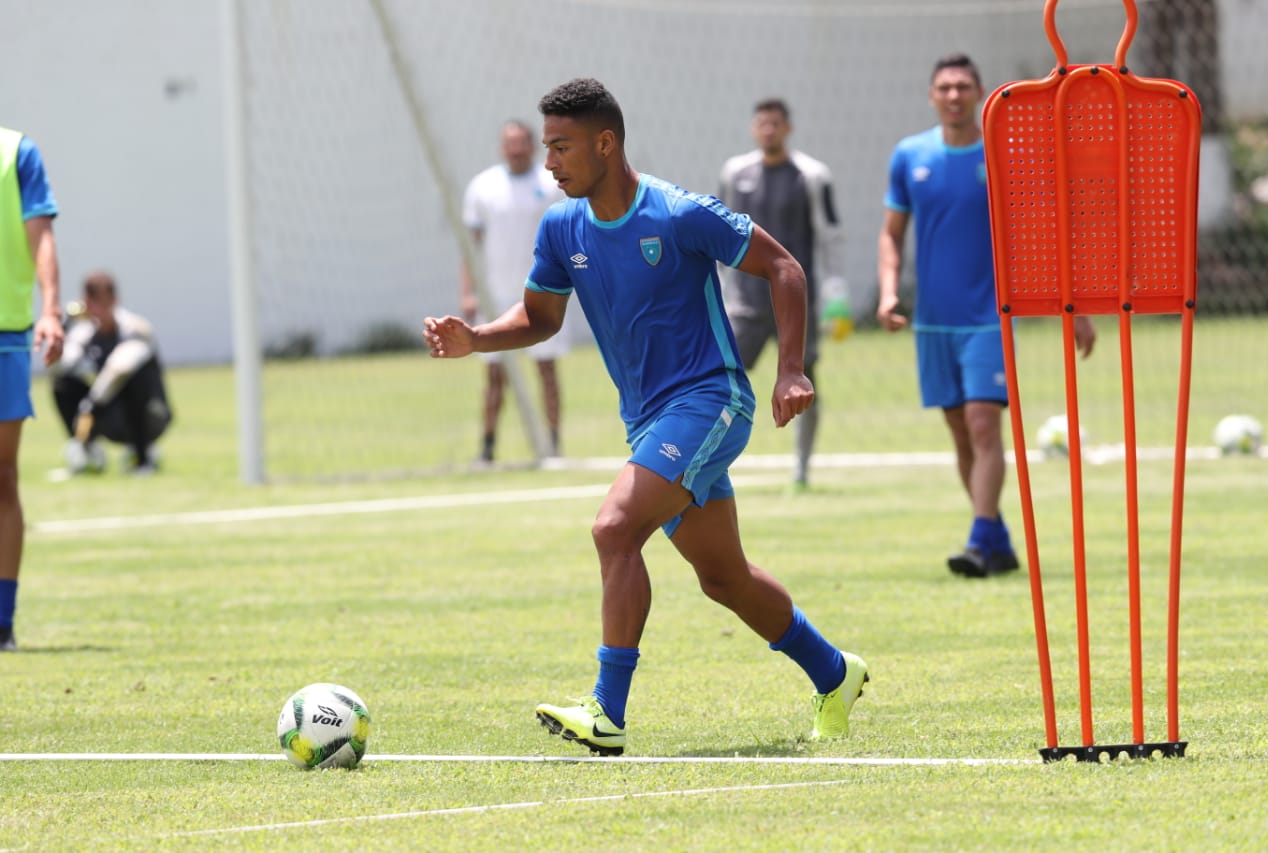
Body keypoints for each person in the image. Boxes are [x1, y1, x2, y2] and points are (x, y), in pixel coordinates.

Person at [424, 78, 868, 755]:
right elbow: (542, 317)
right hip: (651, 421)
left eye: (563, 147)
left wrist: (791, 368)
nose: (550, 164)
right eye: (547, 148)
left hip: (711, 400)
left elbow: (783, 268)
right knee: (724, 578)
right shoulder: (561, 224)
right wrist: (476, 338)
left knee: (613, 528)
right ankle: (835, 673)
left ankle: (607, 710)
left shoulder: (680, 212)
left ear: (606, 143)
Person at [876, 54, 1097, 579]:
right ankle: (995, 536)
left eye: (963, 86)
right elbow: (891, 233)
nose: (954, 95)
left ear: (980, 93)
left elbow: (1047, 228)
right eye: (945, 87)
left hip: (989, 318)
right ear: (932, 95)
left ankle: (977, 540)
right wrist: (888, 293)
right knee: (959, 432)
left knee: (982, 424)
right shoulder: (909, 156)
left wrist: (1078, 306)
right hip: (932, 322)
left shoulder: (1004, 154)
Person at [718, 99, 848, 491]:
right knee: (720, 380)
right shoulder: (734, 172)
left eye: (775, 124)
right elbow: (718, 232)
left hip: (794, 304)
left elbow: (830, 235)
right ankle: (712, 460)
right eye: (762, 123)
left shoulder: (811, 175)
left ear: (787, 128)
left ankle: (802, 469)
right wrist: (721, 289)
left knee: (804, 381)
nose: (768, 130)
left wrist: (835, 292)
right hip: (745, 303)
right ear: (753, 128)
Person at [461, 120, 568, 462]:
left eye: (522, 142)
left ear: (533, 146)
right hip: (496, 296)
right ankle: (488, 448)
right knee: (495, 374)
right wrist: (469, 292)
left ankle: (552, 446)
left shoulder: (551, 184)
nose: (517, 149)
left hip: (543, 293)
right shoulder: (483, 187)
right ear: (501, 147)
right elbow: (470, 247)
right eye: (510, 143)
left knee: (547, 371)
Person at [0, 125, 64, 651]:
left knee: (2, 476)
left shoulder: (15, 151)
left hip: (6, 336)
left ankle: (2, 622)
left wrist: (50, 310)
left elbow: (40, 233)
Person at [51, 271, 172, 476]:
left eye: (102, 302)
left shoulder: (135, 328)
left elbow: (121, 368)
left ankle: (143, 455)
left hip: (150, 413)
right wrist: (65, 326)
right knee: (63, 384)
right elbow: (61, 366)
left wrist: (92, 404)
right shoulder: (85, 333)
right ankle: (86, 450)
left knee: (134, 380)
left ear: (115, 300)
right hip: (108, 413)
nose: (98, 309)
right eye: (92, 302)